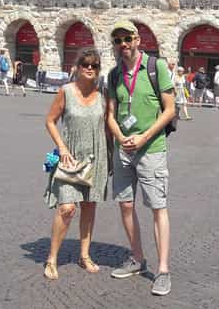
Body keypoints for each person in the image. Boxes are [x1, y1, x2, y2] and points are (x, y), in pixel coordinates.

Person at [107, 20, 175, 296]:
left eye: (126, 39)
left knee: (158, 207)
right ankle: (137, 258)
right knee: (125, 205)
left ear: (137, 40)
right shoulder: (113, 75)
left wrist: (144, 137)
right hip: (123, 150)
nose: (122, 45)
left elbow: (170, 110)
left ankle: (162, 270)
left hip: (151, 149)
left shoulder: (155, 67)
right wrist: (120, 138)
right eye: (117, 41)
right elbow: (110, 114)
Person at [43, 47, 109, 281]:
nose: (90, 68)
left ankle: (84, 255)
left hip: (96, 157)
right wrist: (61, 148)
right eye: (85, 64)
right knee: (67, 208)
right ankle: (52, 259)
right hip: (70, 157)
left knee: (89, 206)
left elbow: (111, 126)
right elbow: (50, 121)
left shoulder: (103, 95)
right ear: (78, 67)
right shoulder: (66, 91)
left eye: (95, 65)